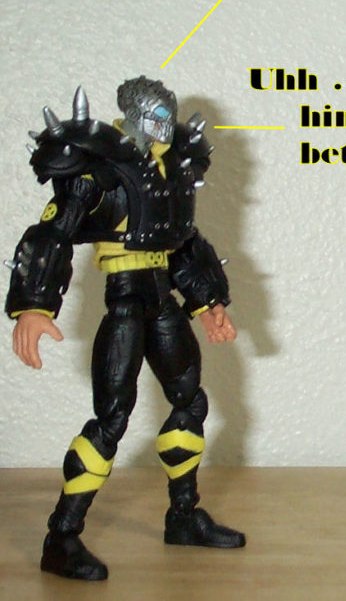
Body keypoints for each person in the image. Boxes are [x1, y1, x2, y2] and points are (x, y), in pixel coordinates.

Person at [6, 77, 244, 581]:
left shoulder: (170, 169)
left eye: (168, 117)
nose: (164, 127)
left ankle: (183, 515)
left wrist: (208, 301)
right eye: (155, 117)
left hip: (162, 298)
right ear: (134, 116)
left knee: (190, 400)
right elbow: (53, 232)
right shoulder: (101, 168)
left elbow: (182, 241)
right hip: (125, 300)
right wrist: (34, 304)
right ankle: (61, 535)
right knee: (111, 419)